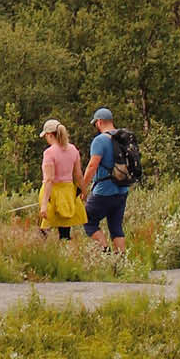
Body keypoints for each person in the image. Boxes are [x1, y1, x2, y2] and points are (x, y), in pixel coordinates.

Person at [80, 107, 129, 254]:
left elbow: (92, 165)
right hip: (122, 189)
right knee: (116, 227)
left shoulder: (99, 140)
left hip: (103, 191)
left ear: (99, 122)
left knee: (87, 219)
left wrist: (82, 188)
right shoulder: (124, 138)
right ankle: (121, 261)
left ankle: (105, 251)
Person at [37, 119, 85, 239]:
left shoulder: (49, 153)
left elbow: (49, 179)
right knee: (65, 227)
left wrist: (44, 203)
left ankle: (43, 250)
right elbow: (78, 174)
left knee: (45, 225)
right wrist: (84, 191)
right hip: (68, 191)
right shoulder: (73, 149)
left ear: (50, 135)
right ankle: (64, 248)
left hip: (52, 192)